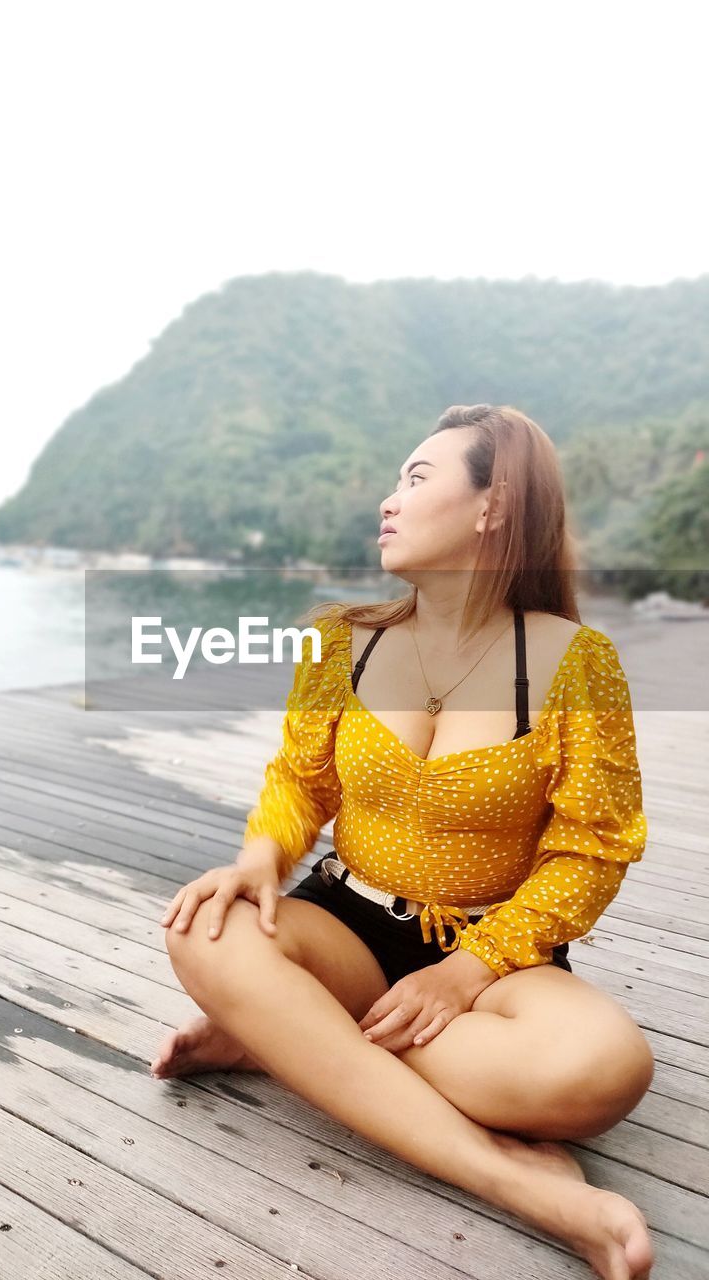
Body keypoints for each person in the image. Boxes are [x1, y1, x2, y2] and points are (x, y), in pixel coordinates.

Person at [152, 404, 655, 1280]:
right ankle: (521, 1184)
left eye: (417, 479)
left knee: (606, 1071)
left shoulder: (578, 661)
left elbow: (593, 850)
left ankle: (286, 1038)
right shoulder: (340, 639)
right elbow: (299, 783)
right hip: (343, 922)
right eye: (395, 480)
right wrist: (260, 861)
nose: (389, 500)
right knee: (204, 926)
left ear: (492, 506)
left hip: (496, 956)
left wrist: (467, 972)